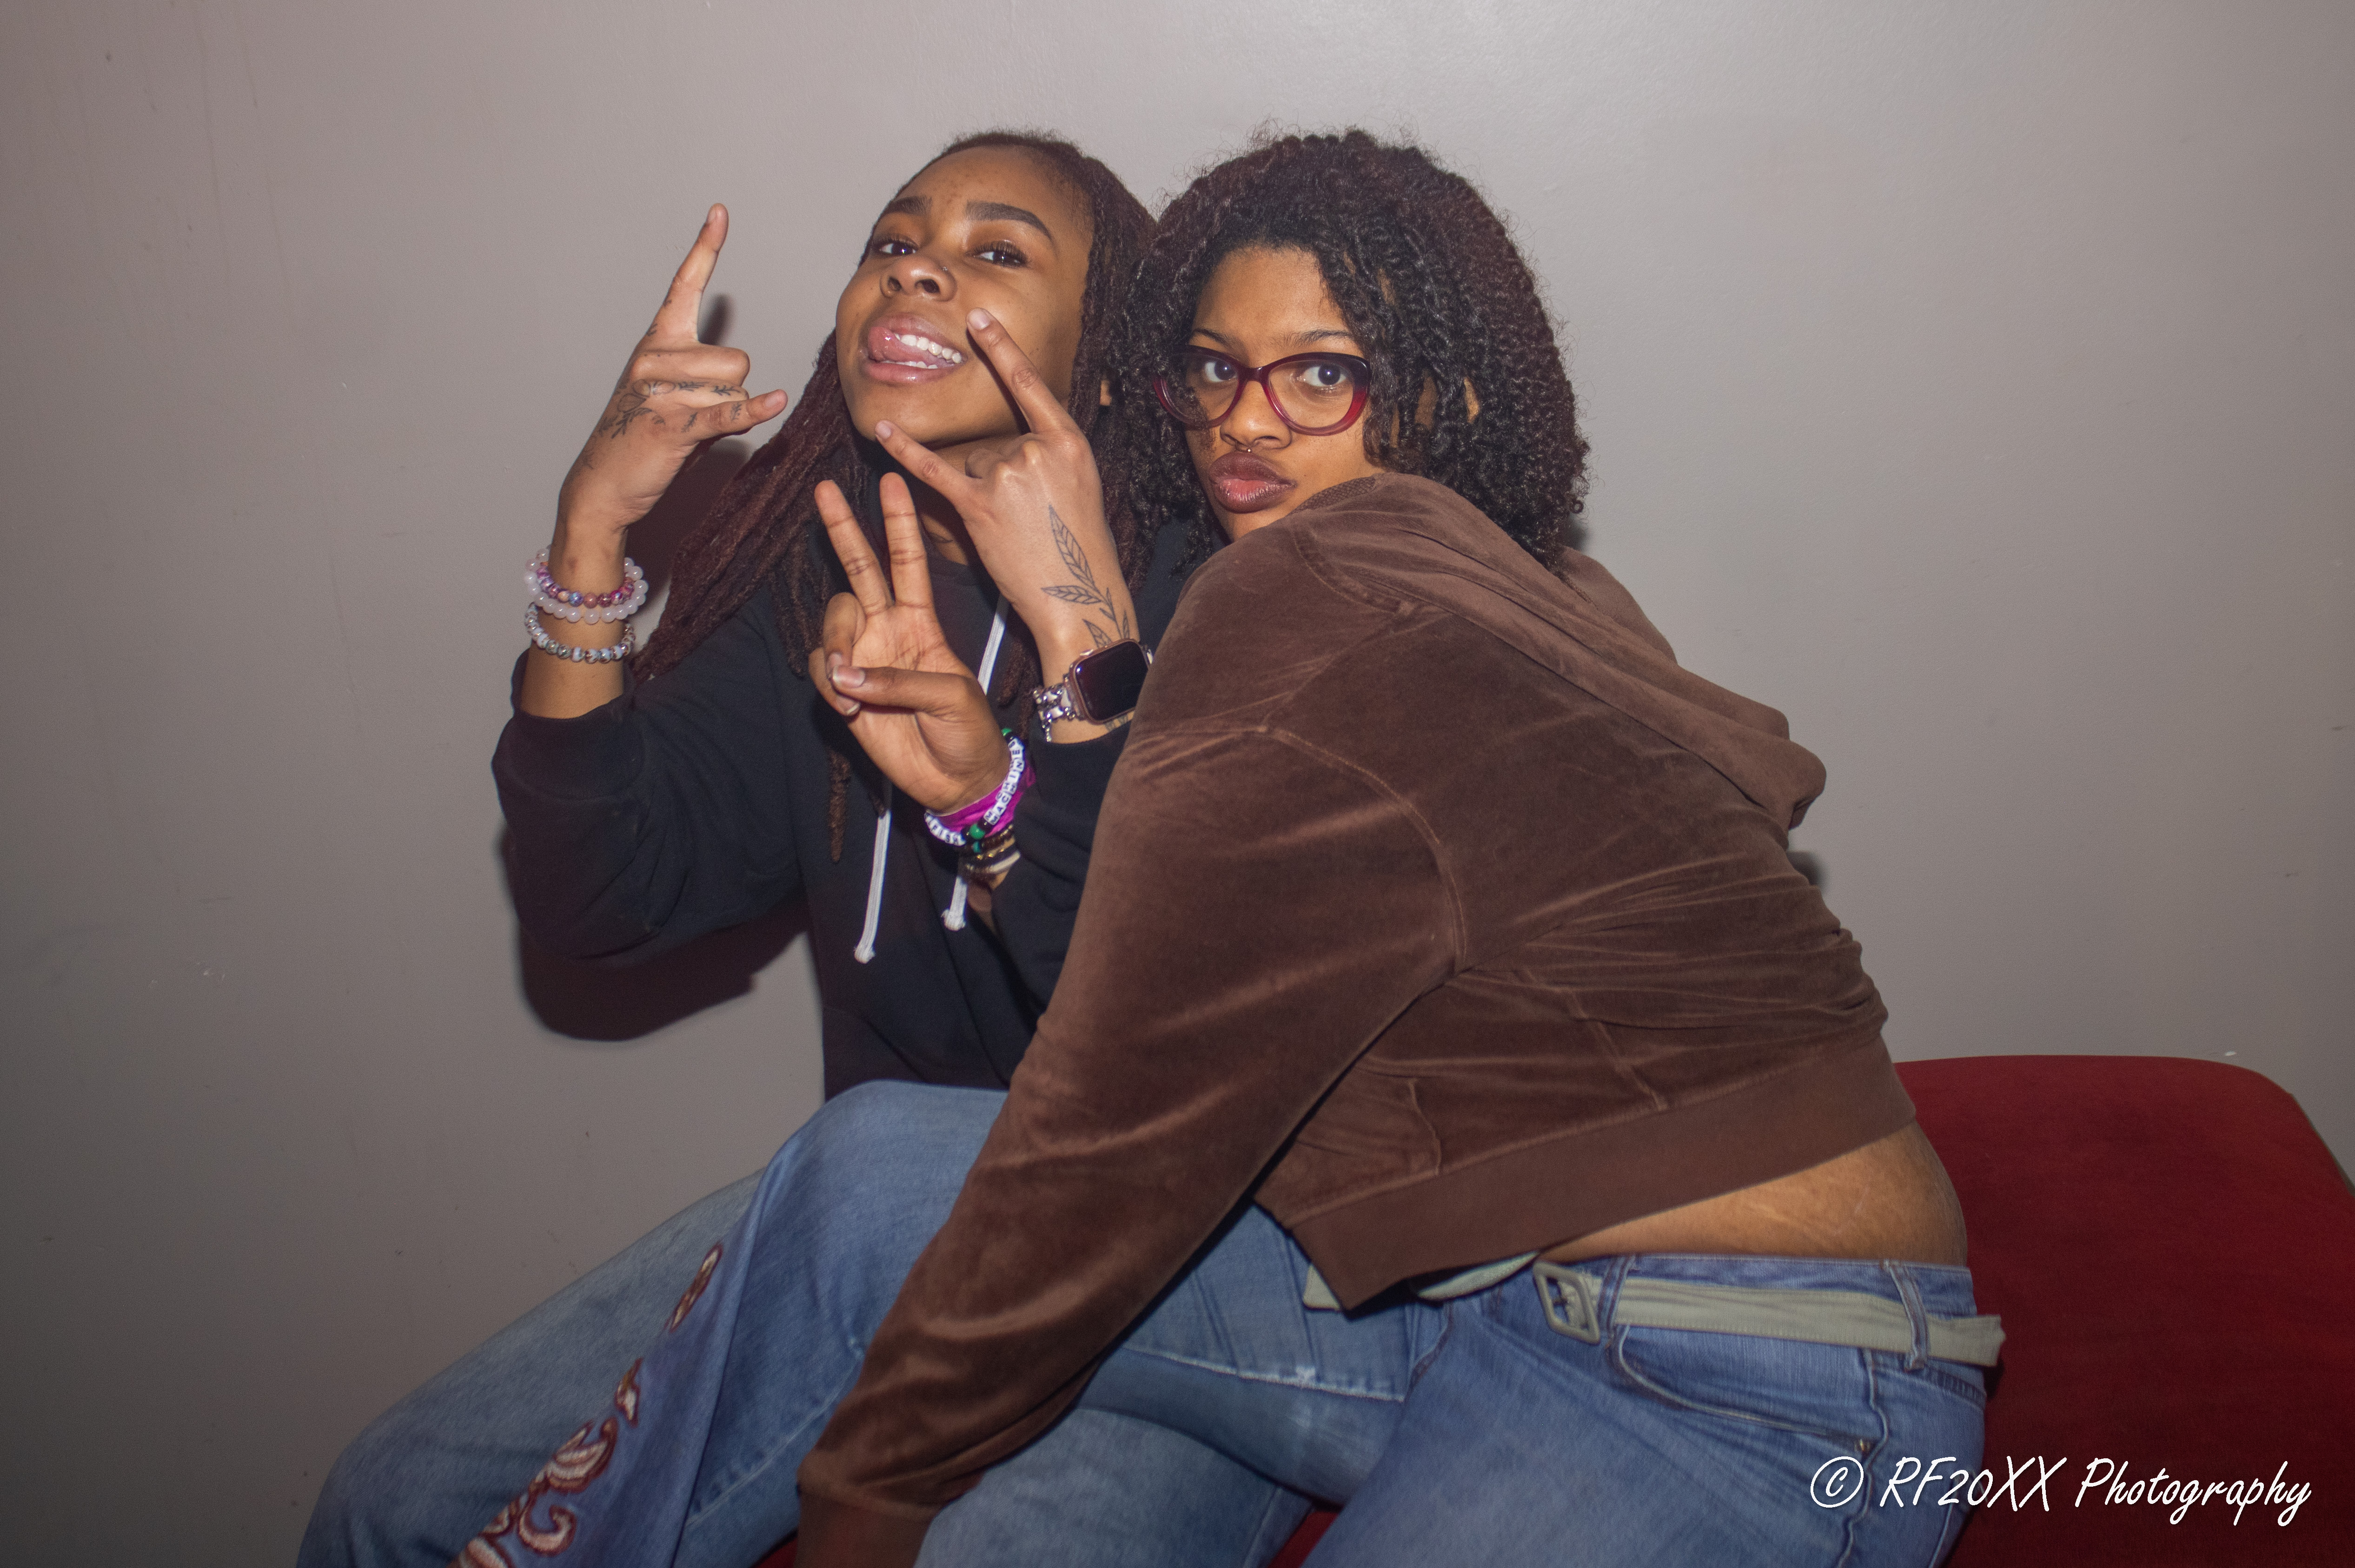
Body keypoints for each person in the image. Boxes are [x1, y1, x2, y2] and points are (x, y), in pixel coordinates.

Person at [455, 130, 1997, 1568]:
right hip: (1482, 1296)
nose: (1249, 421)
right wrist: (605, 547)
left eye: (1320, 373)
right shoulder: (1460, 581)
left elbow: (1132, 1099)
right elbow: (619, 900)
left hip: (1753, 1370)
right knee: (861, 1171)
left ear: (1446, 398)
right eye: (1216, 370)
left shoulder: (1302, 590)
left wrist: (867, 1493)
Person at [302, 132, 1307, 1568]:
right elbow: (601, 896)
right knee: (396, 1503)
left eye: (995, 251)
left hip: (1172, 1250)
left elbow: (1182, 1030)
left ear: (1101, 364)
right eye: (892, 241)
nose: (916, 270)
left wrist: (1015, 760)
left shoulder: (1224, 599)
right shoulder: (818, 578)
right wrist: (591, 537)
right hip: (879, 1229)